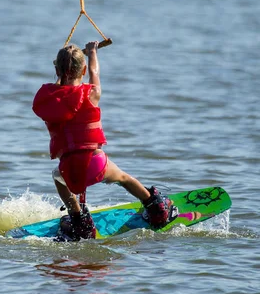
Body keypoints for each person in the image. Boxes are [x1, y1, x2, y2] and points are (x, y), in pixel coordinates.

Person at [32, 41, 178, 241]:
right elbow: (95, 71)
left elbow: (62, 91)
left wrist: (60, 73)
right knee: (123, 178)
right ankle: (157, 209)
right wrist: (92, 52)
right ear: (82, 70)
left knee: (57, 176)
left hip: (69, 168)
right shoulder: (92, 93)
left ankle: (79, 220)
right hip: (95, 162)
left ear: (56, 70)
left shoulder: (48, 101)